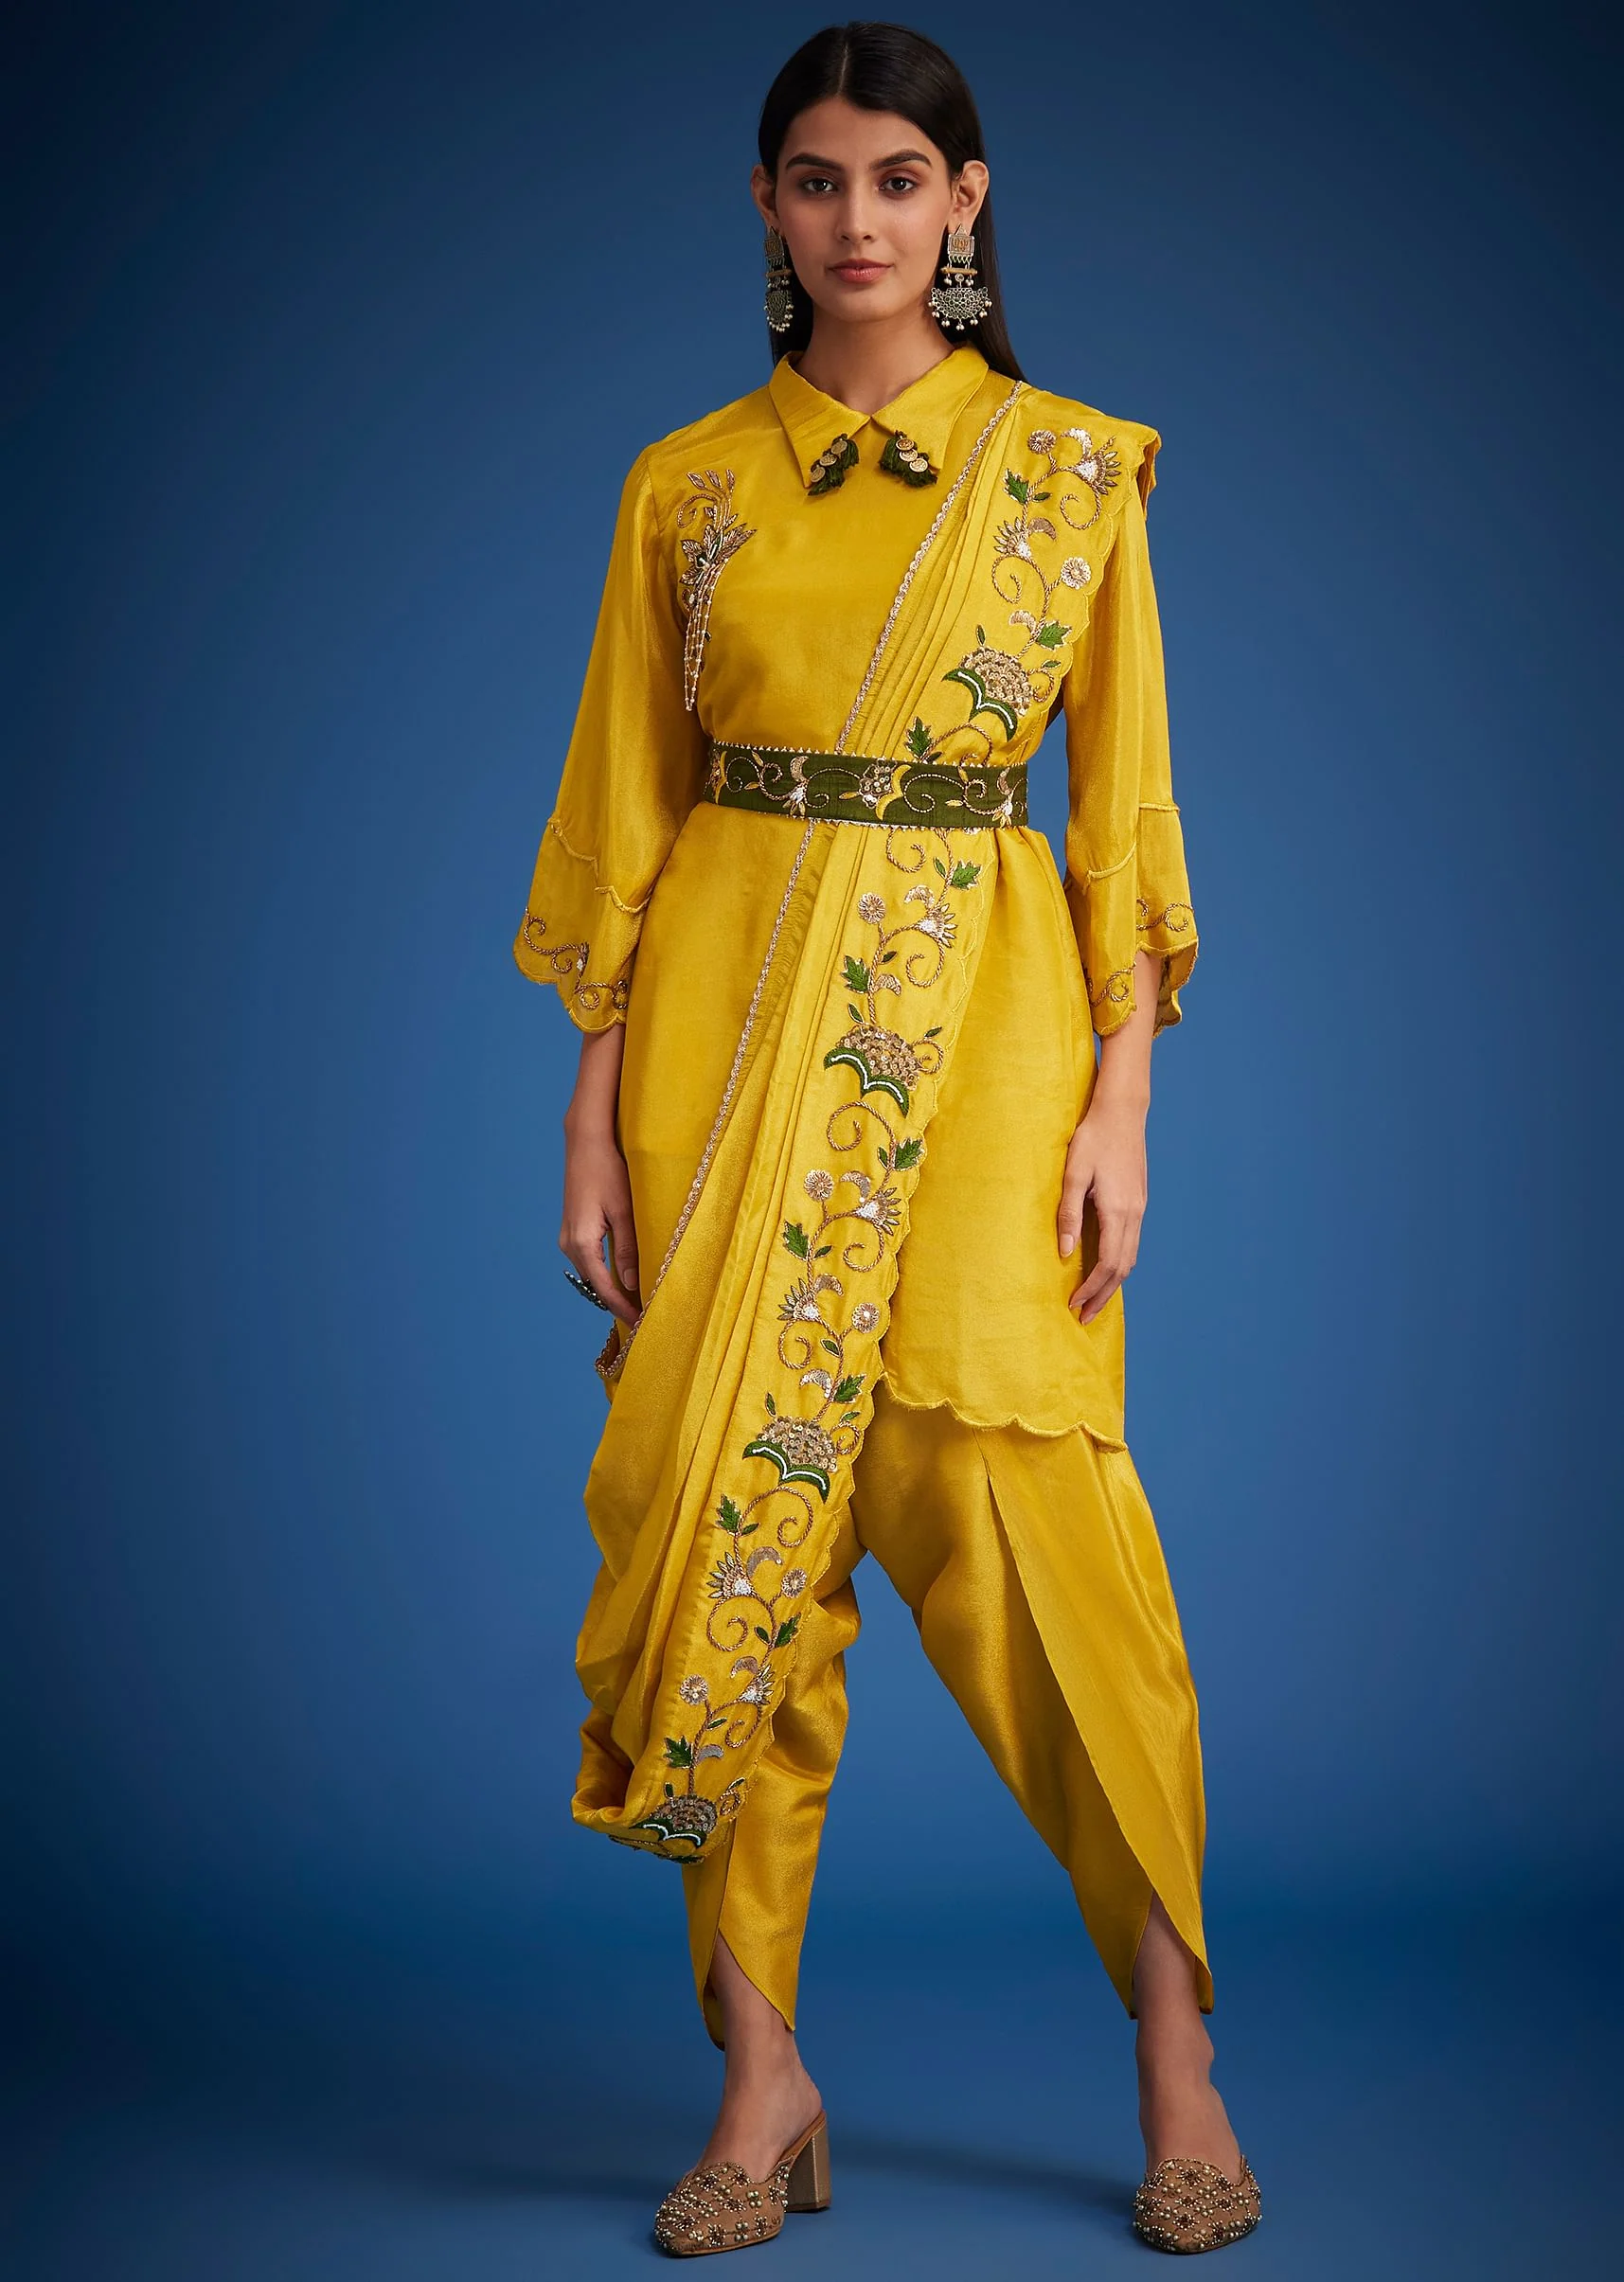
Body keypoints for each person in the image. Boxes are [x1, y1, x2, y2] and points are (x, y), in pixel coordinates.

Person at [512, 19, 1260, 2259]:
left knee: (1035, 1525)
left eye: (900, 180)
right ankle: (762, 2075)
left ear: (966, 202)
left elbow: (1121, 814)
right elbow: (625, 805)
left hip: (991, 1034)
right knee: (737, 1528)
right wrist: (589, 1109)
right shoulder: (683, 488)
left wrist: (1124, 1101)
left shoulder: (1068, 474)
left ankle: (1174, 2051)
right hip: (720, 1038)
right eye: (819, 179)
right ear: (765, 206)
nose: (860, 219)